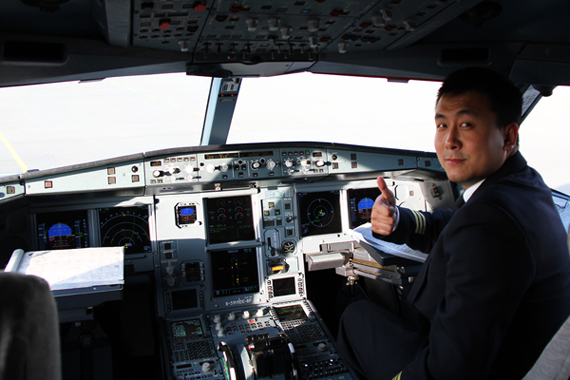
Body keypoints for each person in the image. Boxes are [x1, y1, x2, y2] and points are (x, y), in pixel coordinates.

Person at [337, 67, 570, 380]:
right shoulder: (520, 185)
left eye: (466, 124)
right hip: (486, 342)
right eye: (442, 125)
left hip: (455, 356)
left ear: (509, 136)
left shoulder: (491, 226)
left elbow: (452, 369)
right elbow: (452, 225)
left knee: (354, 315)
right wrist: (399, 221)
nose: (450, 141)